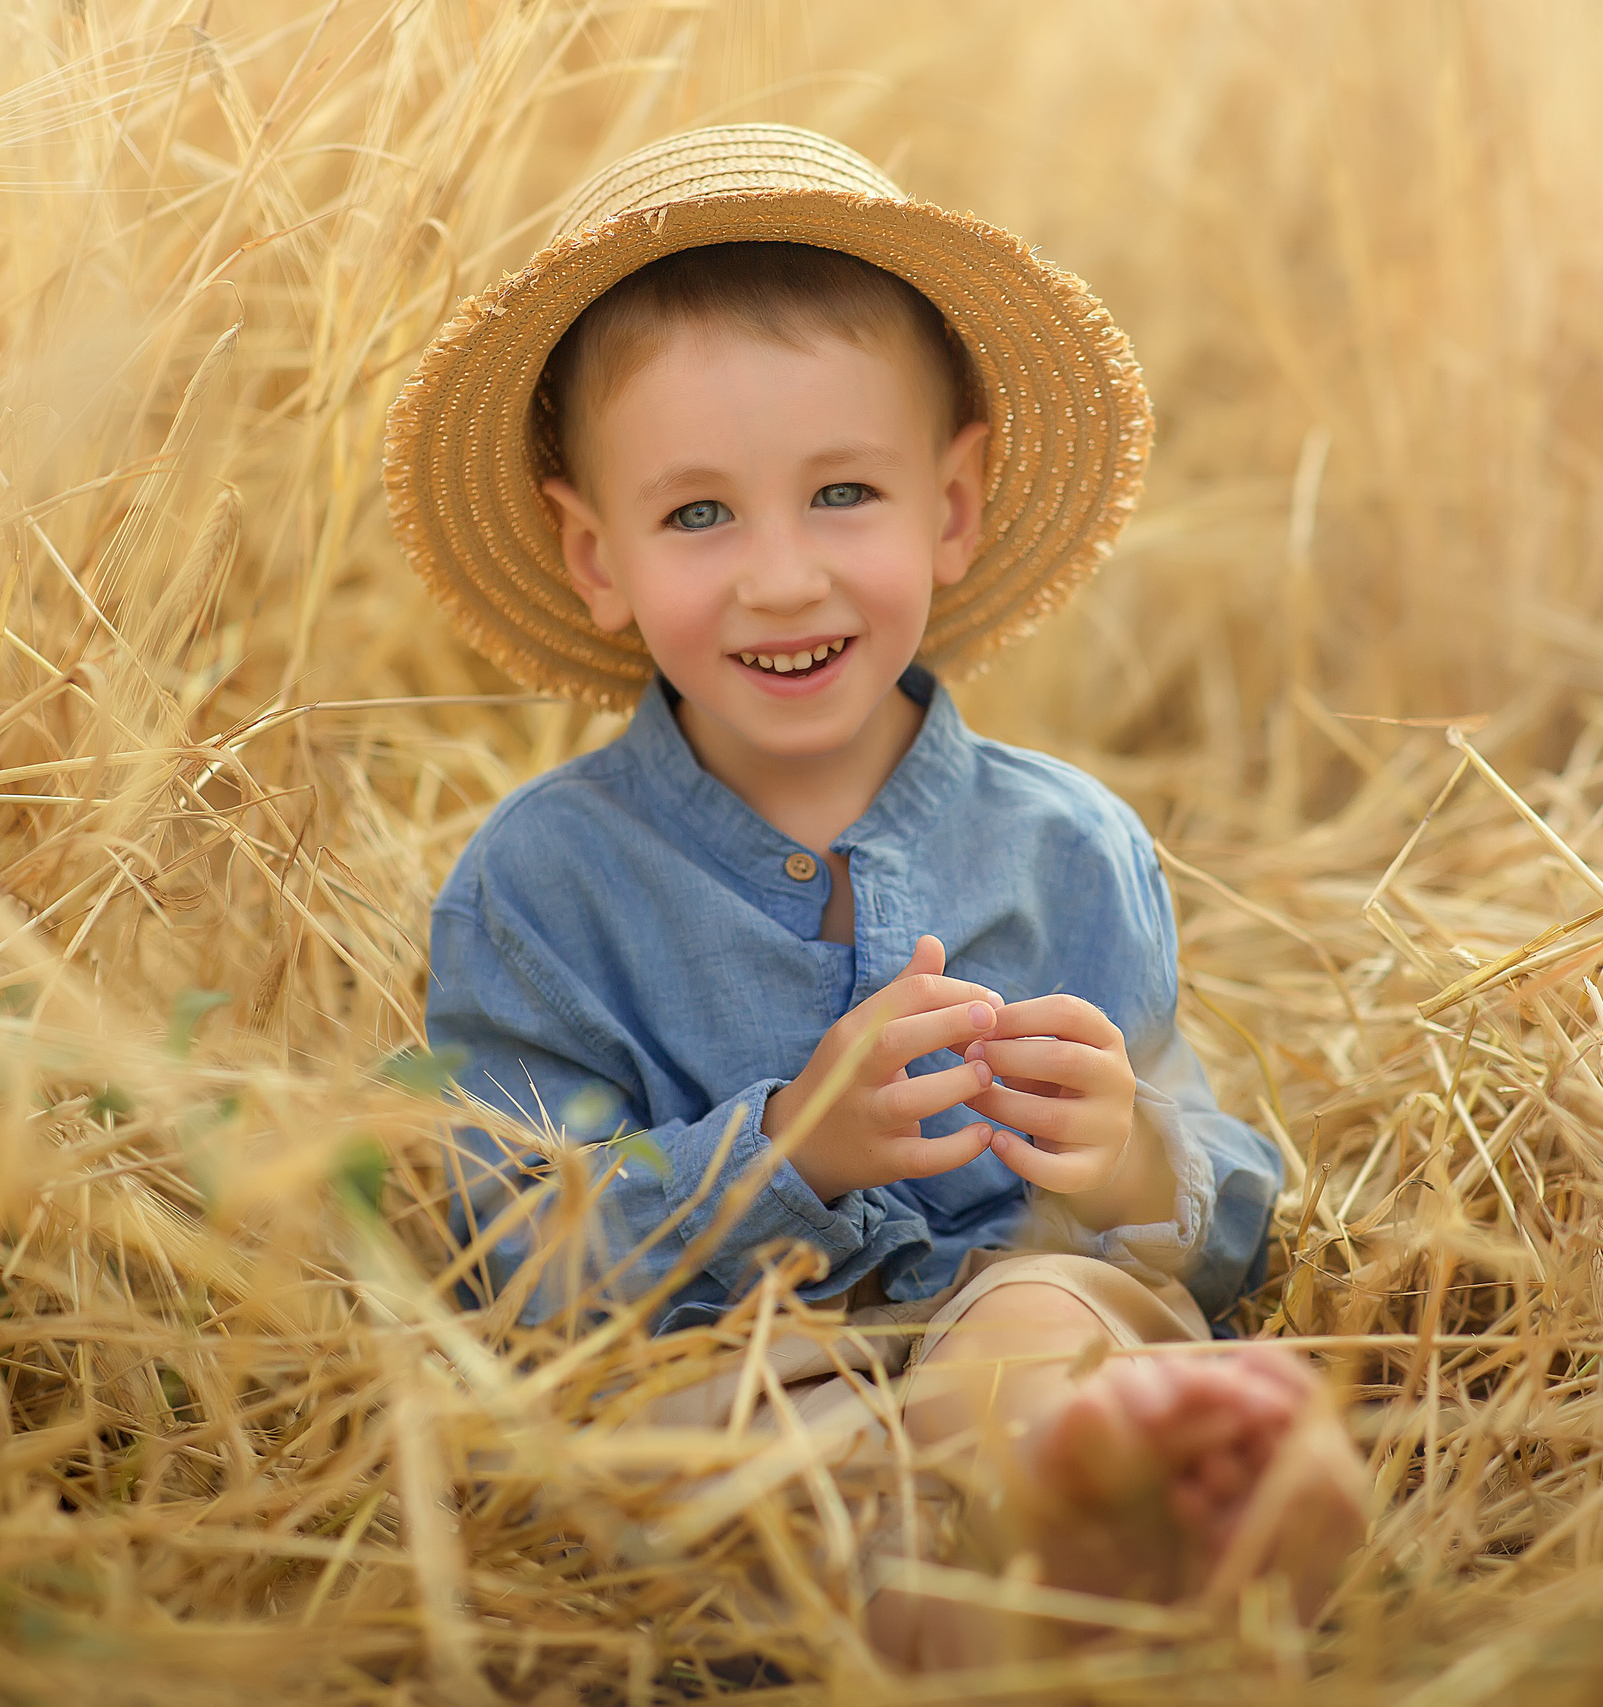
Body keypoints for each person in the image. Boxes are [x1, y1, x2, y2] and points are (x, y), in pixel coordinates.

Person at [383, 124, 1366, 1668]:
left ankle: (1084, 1522)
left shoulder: (1070, 848)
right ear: (596, 554)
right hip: (747, 1374)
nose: (782, 576)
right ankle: (976, 1609)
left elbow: (1232, 1218)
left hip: (1014, 1338)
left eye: (844, 492)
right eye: (699, 514)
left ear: (954, 506)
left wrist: (1123, 1162)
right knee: (722, 1451)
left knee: (1052, 1321)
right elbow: (515, 1255)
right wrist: (784, 1150)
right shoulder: (544, 887)